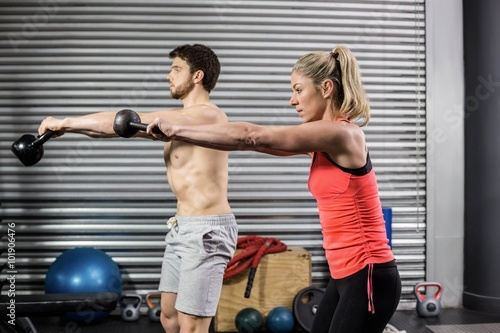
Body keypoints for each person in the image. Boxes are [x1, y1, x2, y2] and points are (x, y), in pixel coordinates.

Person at [146, 45, 402, 333]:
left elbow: (252, 136)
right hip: (343, 275)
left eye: (298, 90)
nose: (292, 101)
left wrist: (178, 129)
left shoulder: (342, 134)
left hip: (368, 274)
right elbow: (250, 143)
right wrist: (181, 133)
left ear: (327, 88)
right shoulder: (320, 144)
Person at [37, 44, 238, 333]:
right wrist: (68, 130)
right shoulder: (178, 123)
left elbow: (125, 118)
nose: (169, 75)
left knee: (192, 326)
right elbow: (118, 128)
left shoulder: (207, 117)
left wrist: (66, 121)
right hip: (183, 227)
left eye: (176, 69)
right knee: (169, 316)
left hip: (207, 231)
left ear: (197, 76)